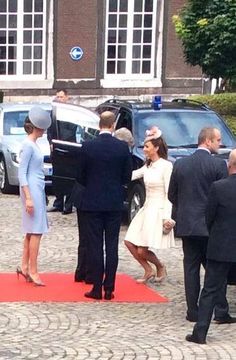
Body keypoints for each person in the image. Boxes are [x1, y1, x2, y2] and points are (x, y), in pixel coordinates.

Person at [168, 127, 230, 323]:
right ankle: (220, 310)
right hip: (210, 225)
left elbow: (172, 194)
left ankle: (192, 311)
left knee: (191, 268)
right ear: (208, 141)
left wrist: (184, 210)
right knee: (215, 269)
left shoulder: (180, 164)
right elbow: (223, 196)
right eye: (218, 140)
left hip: (187, 224)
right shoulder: (218, 165)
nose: (220, 144)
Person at [75, 111, 132, 300]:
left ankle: (96, 287)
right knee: (112, 246)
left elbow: (80, 176)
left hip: (92, 202)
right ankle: (110, 288)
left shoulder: (88, 146)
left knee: (95, 246)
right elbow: (127, 176)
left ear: (99, 124)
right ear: (113, 125)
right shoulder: (122, 148)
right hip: (114, 202)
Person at [186, 149, 236, 344]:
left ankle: (200, 332)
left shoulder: (218, 187)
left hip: (221, 247)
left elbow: (209, 218)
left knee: (209, 291)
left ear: (229, 165)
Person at [124, 126, 175, 283]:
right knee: (129, 241)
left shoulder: (166, 166)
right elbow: (131, 176)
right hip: (146, 208)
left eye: (147, 146)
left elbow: (169, 193)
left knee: (142, 248)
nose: (144, 149)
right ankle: (148, 269)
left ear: (156, 148)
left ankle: (159, 266)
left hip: (158, 209)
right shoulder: (148, 166)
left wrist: (167, 216)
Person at [17, 106, 51, 286]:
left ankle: (25, 266)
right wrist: (28, 197)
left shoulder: (32, 144)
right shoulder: (28, 145)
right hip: (32, 189)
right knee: (36, 230)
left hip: (36, 187)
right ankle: (33, 270)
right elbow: (22, 173)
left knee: (32, 230)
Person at [47, 88, 77, 214]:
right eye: (57, 97)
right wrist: (51, 142)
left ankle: (68, 204)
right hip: (56, 150)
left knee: (69, 178)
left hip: (68, 149)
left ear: (66, 97)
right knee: (57, 177)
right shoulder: (53, 112)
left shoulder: (72, 112)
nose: (59, 99)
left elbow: (71, 130)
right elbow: (50, 129)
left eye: (61, 97)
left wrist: (62, 142)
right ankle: (58, 202)